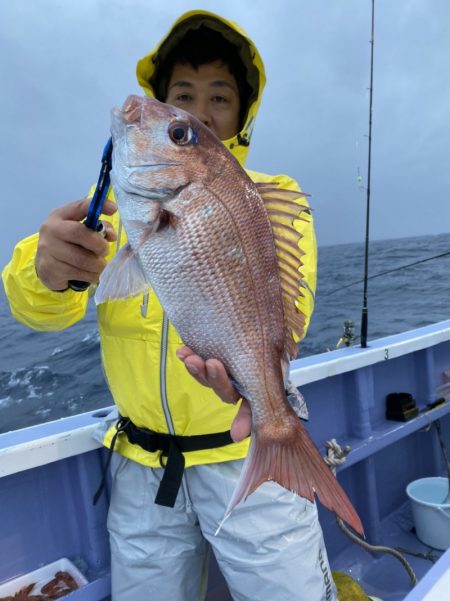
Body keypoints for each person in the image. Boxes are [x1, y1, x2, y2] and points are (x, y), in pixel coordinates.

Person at [2, 10, 337, 601]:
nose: (200, 111)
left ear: (242, 114)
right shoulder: (109, 208)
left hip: (244, 443)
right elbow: (40, 313)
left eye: (219, 97)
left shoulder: (273, 199)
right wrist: (47, 272)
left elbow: (290, 314)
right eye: (182, 96)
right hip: (141, 467)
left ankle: (280, 444)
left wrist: (262, 395)